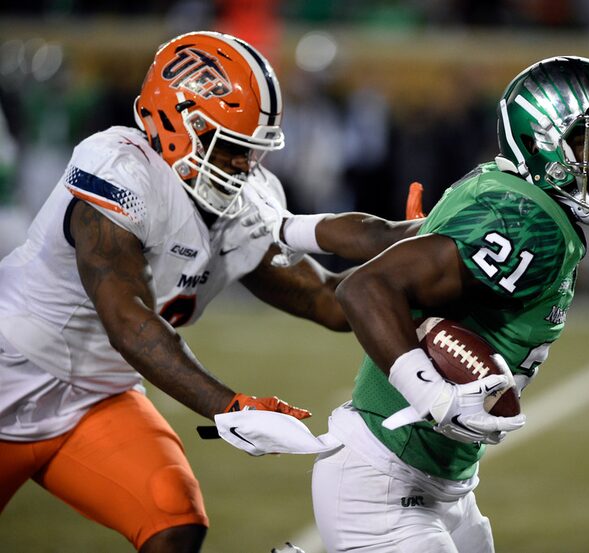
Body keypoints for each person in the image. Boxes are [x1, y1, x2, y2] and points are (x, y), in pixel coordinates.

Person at [0, 31, 417, 552]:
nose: (246, 165)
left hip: (96, 398)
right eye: (234, 147)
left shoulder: (243, 197)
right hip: (11, 374)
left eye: (252, 150)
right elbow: (127, 319)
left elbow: (327, 300)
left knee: (174, 519)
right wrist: (232, 406)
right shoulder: (120, 166)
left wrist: (413, 269)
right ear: (179, 122)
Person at [314, 56, 589, 552]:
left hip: (440, 481)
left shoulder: (514, 194)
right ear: (545, 139)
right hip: (385, 478)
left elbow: (395, 245)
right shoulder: (529, 222)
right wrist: (433, 395)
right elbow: (364, 288)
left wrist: (291, 228)